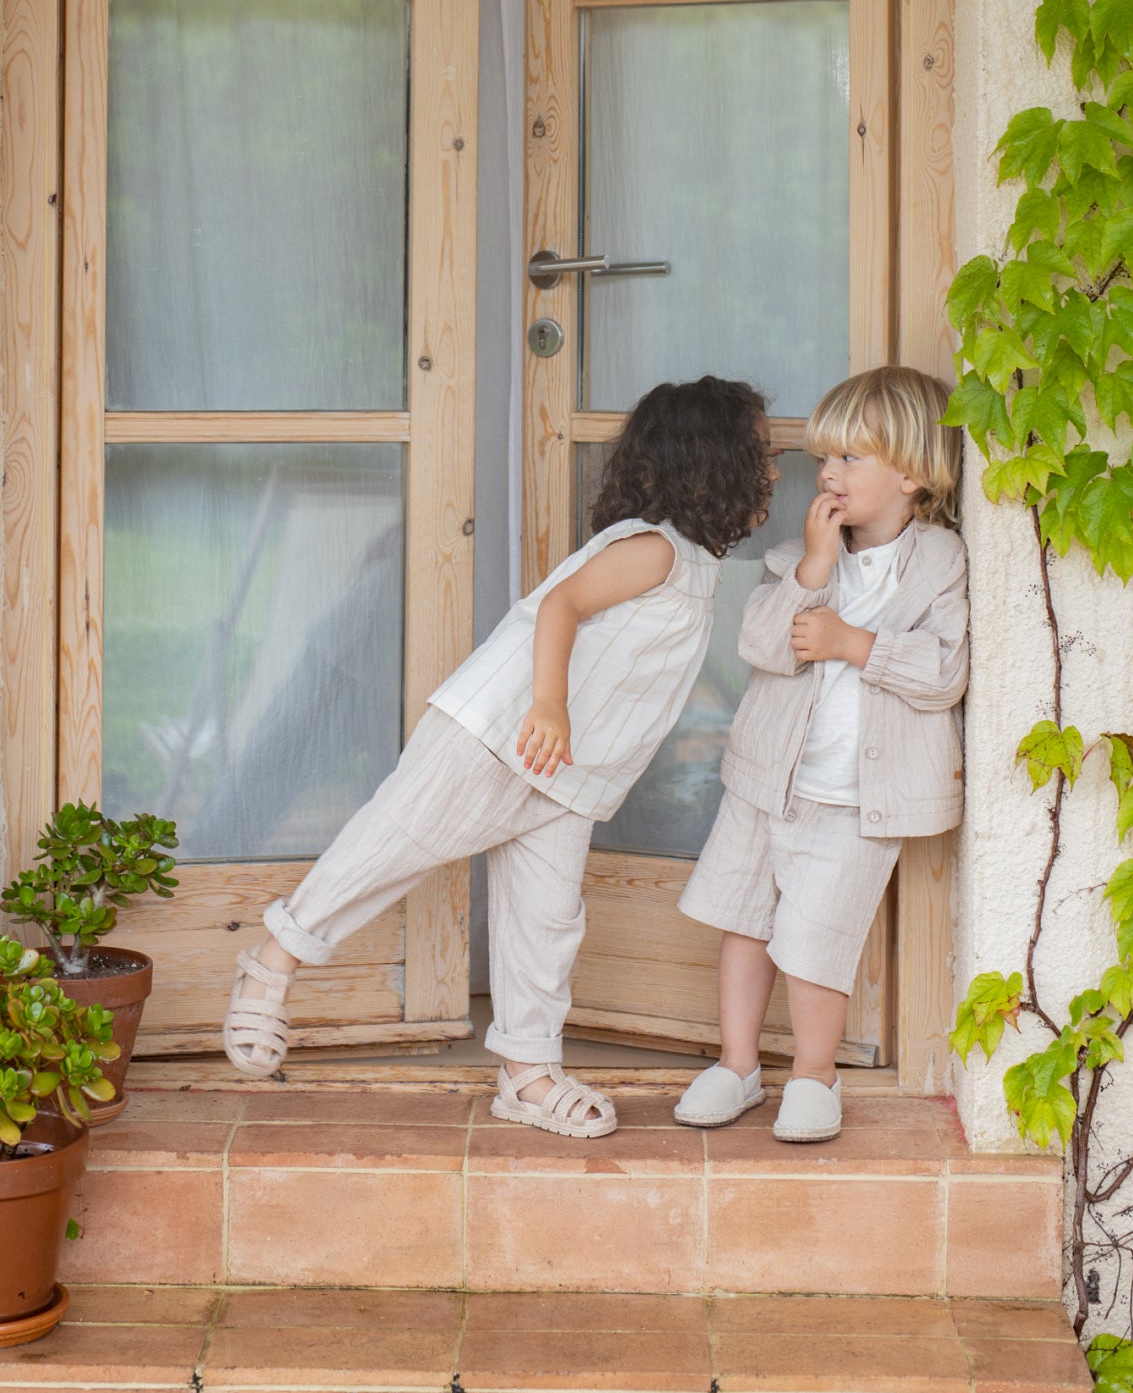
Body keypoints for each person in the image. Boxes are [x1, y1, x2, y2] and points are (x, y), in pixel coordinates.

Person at [221, 376, 777, 1138]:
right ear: (715, 463)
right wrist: (548, 703)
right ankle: (272, 963)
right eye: (762, 453)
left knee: (545, 923)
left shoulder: (694, 566)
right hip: (502, 733)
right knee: (394, 844)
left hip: (570, 774)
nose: (774, 468)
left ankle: (528, 1073)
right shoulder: (653, 551)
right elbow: (562, 607)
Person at [674, 365, 967, 1144]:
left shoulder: (939, 563)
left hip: (852, 804)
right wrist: (812, 570)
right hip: (768, 785)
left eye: (850, 459)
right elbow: (761, 646)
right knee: (745, 921)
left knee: (814, 942)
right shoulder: (803, 558)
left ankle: (814, 1074)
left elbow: (944, 672)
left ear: (911, 473)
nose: (828, 475)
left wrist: (853, 644)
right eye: (824, 459)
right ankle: (736, 1064)